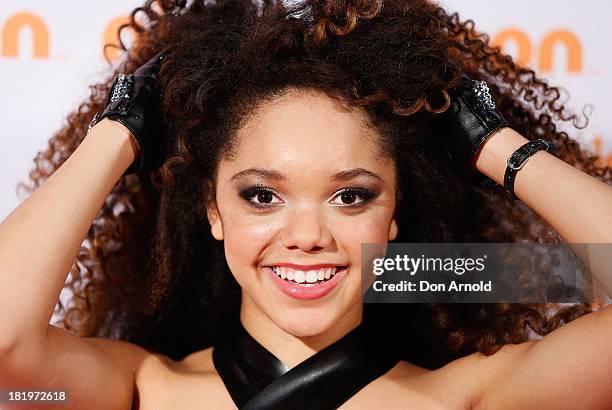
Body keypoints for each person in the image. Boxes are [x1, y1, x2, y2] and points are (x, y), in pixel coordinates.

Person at [1, 0, 611, 408]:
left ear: (394, 215)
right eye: (262, 196)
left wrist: (498, 146)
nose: (307, 235)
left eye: (351, 196)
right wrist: (120, 131)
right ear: (213, 211)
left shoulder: (468, 397)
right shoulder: (143, 390)